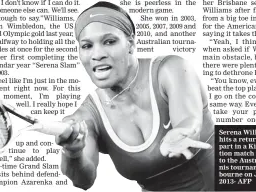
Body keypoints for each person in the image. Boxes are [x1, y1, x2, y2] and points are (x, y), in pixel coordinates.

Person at [55, 1, 214, 191]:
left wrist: (181, 133)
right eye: (87, 46)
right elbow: (83, 181)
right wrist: (72, 152)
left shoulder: (171, 69)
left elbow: (190, 120)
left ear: (130, 44)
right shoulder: (87, 117)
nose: (97, 54)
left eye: (109, 41)